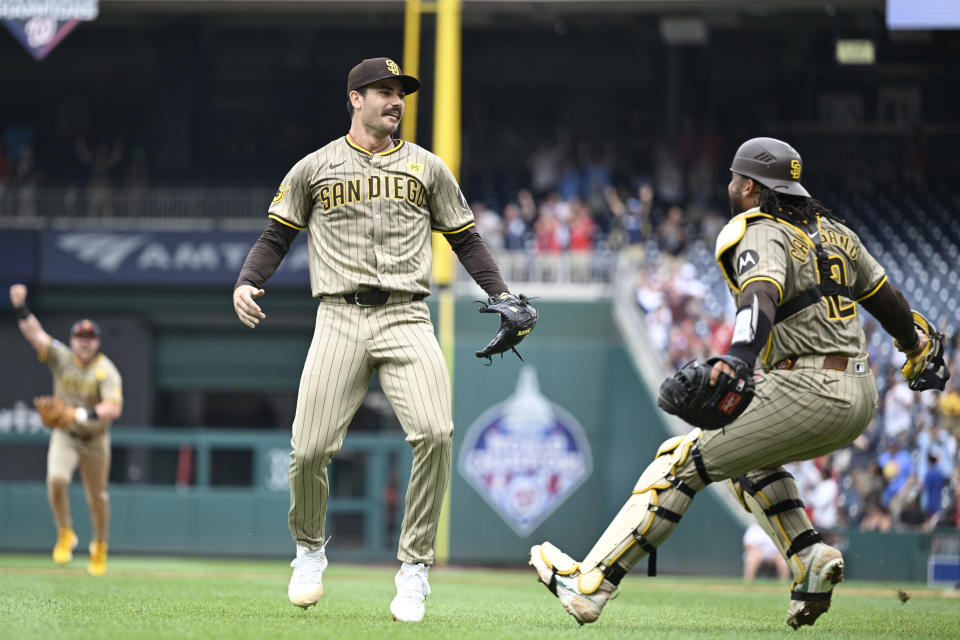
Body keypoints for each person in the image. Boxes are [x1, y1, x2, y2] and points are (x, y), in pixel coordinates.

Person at [529, 136, 943, 629]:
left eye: (733, 178)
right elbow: (886, 297)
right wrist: (915, 347)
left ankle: (591, 583)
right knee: (748, 462)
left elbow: (760, 294)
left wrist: (741, 358)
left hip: (807, 385)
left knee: (679, 463)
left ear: (750, 186)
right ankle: (809, 558)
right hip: (858, 391)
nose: (730, 186)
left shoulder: (759, 229)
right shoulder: (837, 233)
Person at [232, 57, 520, 622]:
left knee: (436, 432)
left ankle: (414, 570)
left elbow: (466, 239)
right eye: (383, 92)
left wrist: (502, 292)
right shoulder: (313, 168)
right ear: (355, 99)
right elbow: (275, 235)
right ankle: (309, 551)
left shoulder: (428, 168)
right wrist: (248, 281)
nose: (395, 101)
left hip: (407, 316)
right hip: (338, 316)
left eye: (401, 93)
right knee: (309, 448)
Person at [9, 284, 122, 576]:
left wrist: (79, 413)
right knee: (56, 480)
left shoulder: (106, 370)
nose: (84, 342)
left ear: (97, 342)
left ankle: (99, 546)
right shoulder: (61, 357)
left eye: (90, 337)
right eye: (80, 337)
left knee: (97, 497)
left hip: (95, 438)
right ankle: (65, 532)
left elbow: (113, 408)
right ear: (72, 340)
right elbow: (35, 335)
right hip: (66, 435)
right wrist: (21, 307)